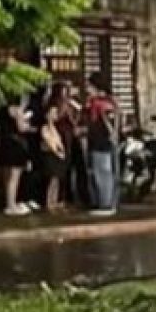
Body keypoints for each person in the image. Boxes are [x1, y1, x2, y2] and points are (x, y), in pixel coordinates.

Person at [83, 72, 120, 217]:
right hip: (97, 141)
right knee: (101, 172)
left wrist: (113, 135)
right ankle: (104, 202)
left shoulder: (102, 102)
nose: (86, 88)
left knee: (103, 173)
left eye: (89, 85)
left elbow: (109, 121)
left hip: (101, 142)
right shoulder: (103, 101)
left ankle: (106, 204)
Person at [0, 98, 36, 217]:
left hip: (4, 144)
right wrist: (29, 126)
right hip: (15, 145)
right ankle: (12, 206)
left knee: (7, 178)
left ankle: (8, 203)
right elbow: (21, 128)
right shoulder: (17, 110)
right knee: (14, 178)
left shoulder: (1, 111)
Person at [38, 81, 75, 214]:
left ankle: (58, 199)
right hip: (53, 142)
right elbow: (51, 120)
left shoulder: (68, 107)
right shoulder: (53, 107)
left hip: (65, 141)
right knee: (52, 176)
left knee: (60, 175)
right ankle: (49, 202)